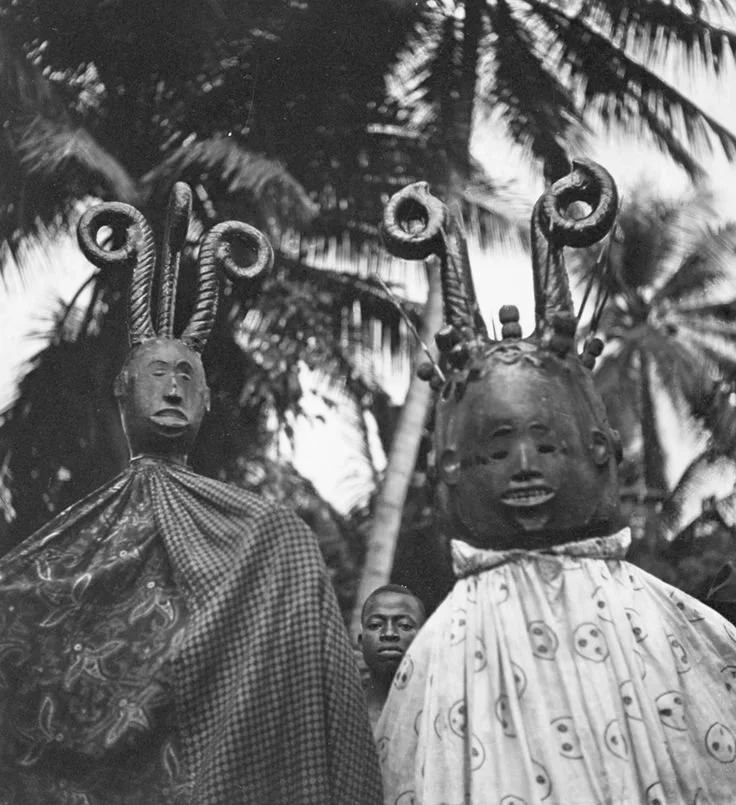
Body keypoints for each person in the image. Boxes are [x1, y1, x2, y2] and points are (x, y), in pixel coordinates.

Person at [0, 184, 383, 805]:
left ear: (206, 401)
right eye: (158, 374)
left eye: (188, 377)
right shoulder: (83, 532)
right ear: (123, 392)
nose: (173, 389)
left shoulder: (268, 532)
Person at [374, 162, 736, 805]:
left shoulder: (661, 620)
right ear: (454, 470)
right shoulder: (445, 644)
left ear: (597, 451)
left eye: (547, 444)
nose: (524, 467)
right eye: (498, 449)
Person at [358, 584, 426, 729]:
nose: (389, 633)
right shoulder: (342, 713)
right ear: (361, 642)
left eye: (405, 625)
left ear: (424, 640)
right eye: (375, 625)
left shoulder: (434, 714)